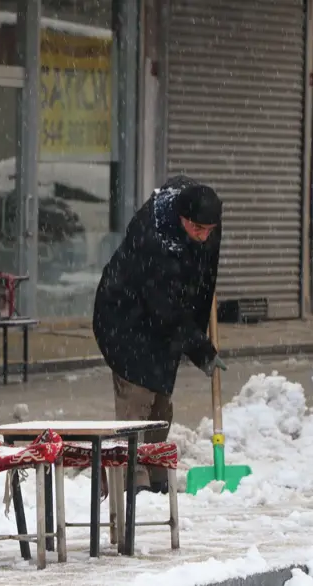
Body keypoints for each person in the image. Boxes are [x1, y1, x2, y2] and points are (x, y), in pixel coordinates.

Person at [92, 174, 227, 494]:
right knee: (137, 397)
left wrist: (200, 324)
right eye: (198, 229)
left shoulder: (203, 223)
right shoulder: (153, 240)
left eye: (210, 230)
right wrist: (200, 348)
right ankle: (131, 479)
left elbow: (204, 275)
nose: (204, 237)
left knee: (161, 404)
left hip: (163, 321)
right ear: (181, 218)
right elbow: (165, 309)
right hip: (124, 319)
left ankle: (154, 475)